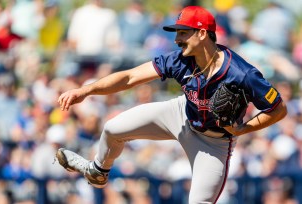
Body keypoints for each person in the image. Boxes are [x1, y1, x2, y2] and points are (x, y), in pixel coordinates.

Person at [55, 6, 287, 203]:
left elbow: (278, 109)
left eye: (183, 33)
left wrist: (245, 129)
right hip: (181, 114)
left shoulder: (242, 73)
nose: (177, 39)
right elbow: (130, 77)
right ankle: (97, 171)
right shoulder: (179, 59)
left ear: (203, 33)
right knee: (112, 129)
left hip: (213, 142)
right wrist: (86, 90)